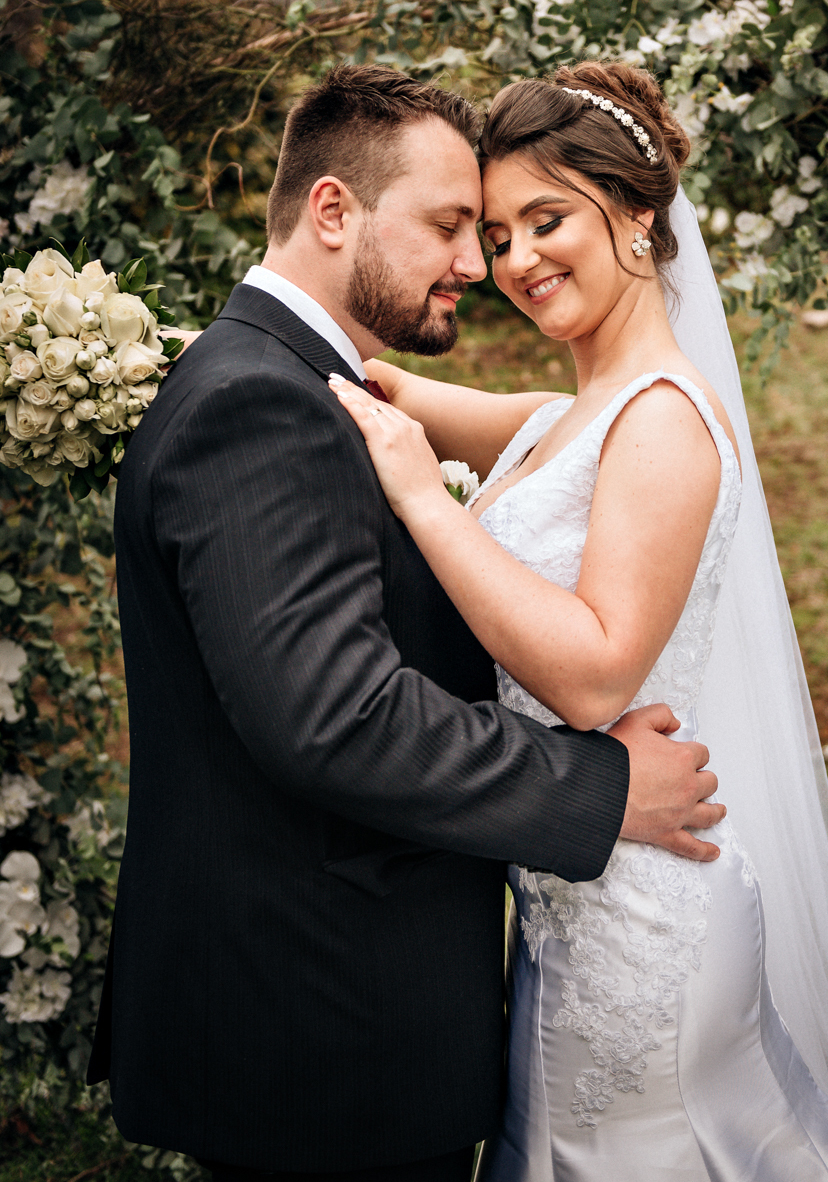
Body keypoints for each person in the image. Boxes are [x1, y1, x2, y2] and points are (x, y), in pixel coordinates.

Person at [331, 63, 828, 1182]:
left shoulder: (665, 421)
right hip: (568, 898)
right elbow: (369, 386)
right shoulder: (556, 420)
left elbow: (592, 675)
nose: (517, 260)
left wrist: (424, 500)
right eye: (495, 231)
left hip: (643, 925)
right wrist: (166, 356)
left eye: (548, 219)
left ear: (637, 216)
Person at [86, 65, 727, 1182]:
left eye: (529, 224)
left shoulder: (297, 381)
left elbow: (459, 419)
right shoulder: (259, 400)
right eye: (455, 226)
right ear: (333, 211)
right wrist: (601, 789)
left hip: (360, 1007)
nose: (484, 266)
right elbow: (337, 717)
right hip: (323, 1019)